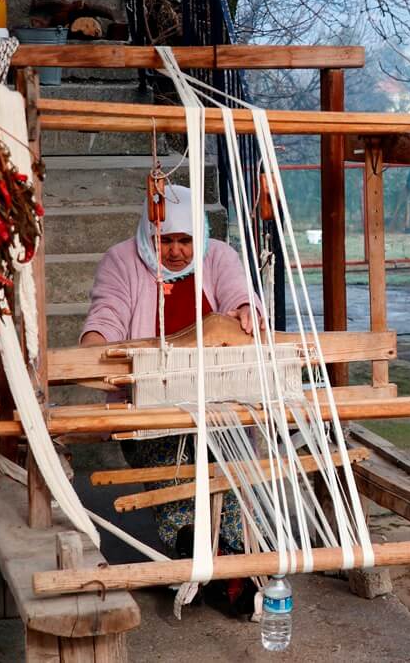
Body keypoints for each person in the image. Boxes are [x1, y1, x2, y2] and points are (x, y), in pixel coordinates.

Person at [81, 184, 255, 561]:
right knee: (174, 463)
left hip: (220, 398)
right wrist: (96, 343)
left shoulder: (218, 255)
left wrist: (245, 310)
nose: (176, 251)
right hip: (149, 406)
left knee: (227, 459)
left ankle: (233, 555)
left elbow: (237, 293)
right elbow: (107, 312)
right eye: (165, 240)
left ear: (201, 236)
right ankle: (191, 548)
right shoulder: (122, 261)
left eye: (185, 240)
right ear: (148, 233)